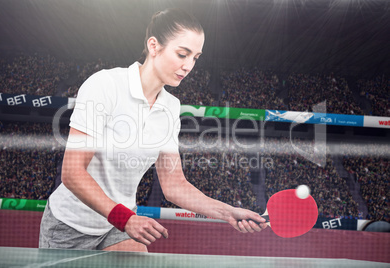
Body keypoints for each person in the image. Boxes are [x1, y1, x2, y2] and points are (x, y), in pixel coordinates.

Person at [39, 8, 267, 252]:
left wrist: (228, 212)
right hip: (71, 227)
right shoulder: (104, 85)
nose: (189, 65)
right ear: (154, 46)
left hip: (117, 228)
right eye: (182, 54)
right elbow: (72, 172)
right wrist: (124, 219)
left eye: (195, 58)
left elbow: (174, 184)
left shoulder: (171, 107)